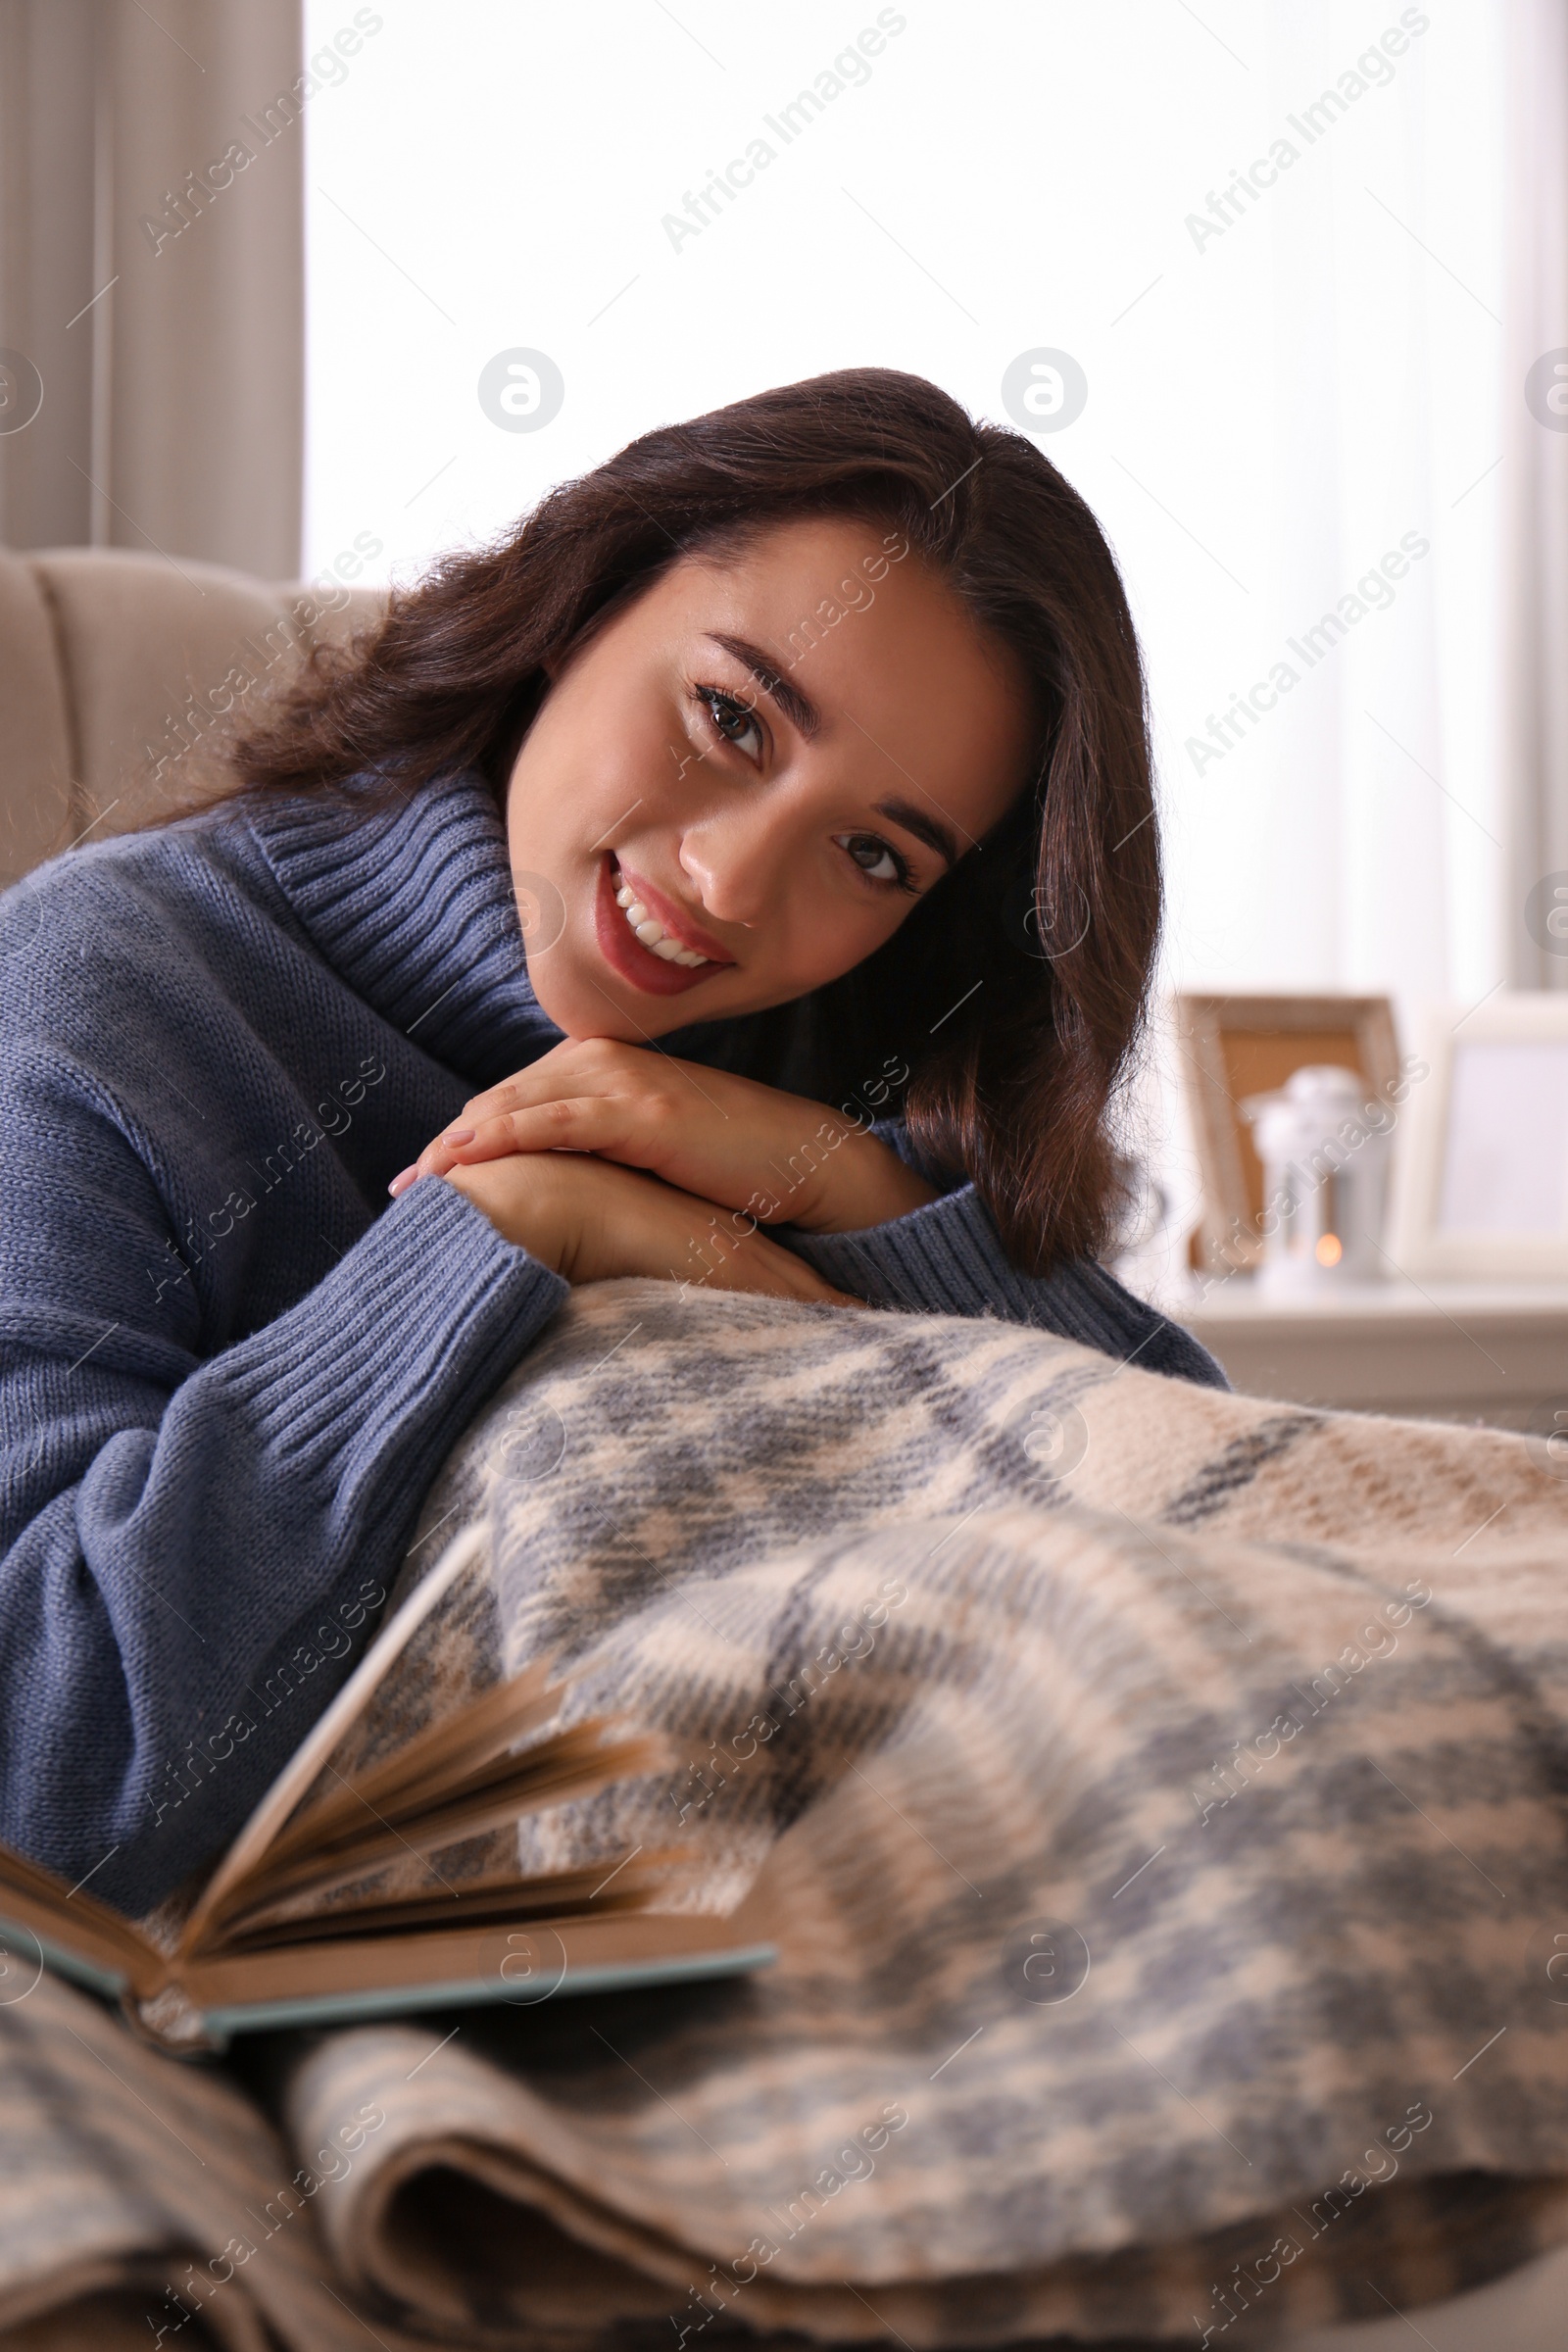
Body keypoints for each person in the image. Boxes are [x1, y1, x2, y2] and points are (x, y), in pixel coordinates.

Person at [0, 368, 1222, 1913]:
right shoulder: (98, 998)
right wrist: (497, 1231)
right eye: (730, 717)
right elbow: (45, 1767)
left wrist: (833, 1191)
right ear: (579, 604)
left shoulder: (839, 1055)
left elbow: (1203, 1507)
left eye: (872, 852)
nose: (728, 882)